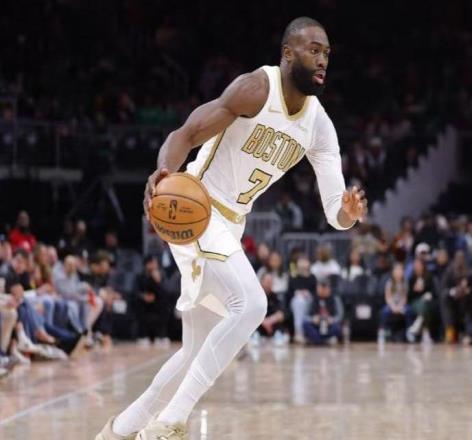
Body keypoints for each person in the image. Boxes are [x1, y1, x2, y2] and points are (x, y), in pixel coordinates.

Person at [97, 17, 367, 440]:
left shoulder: (319, 125)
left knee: (194, 352)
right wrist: (164, 170)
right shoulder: (256, 89)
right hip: (198, 208)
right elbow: (187, 132)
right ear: (287, 54)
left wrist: (349, 212)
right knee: (252, 304)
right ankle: (172, 421)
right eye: (313, 50)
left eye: (327, 53)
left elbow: (336, 213)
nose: (322, 60)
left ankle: (118, 431)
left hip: (230, 224)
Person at [378, 263, 413, 342]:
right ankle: (382, 331)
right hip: (391, 304)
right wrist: (393, 307)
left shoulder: (405, 283)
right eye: (397, 270)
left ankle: (410, 331)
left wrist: (400, 306)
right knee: (385, 312)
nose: (399, 272)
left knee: (409, 311)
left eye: (400, 270)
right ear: (393, 272)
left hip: (401, 304)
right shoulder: (389, 282)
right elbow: (388, 297)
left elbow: (404, 297)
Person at [303, 278, 344, 345]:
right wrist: (312, 319)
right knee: (306, 324)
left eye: (325, 288)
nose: (323, 290)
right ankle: (325, 340)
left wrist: (332, 320)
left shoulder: (335, 298)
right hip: (316, 325)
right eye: (321, 287)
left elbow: (340, 316)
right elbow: (305, 316)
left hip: (329, 325)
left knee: (337, 327)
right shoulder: (312, 298)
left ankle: (318, 340)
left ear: (329, 288)